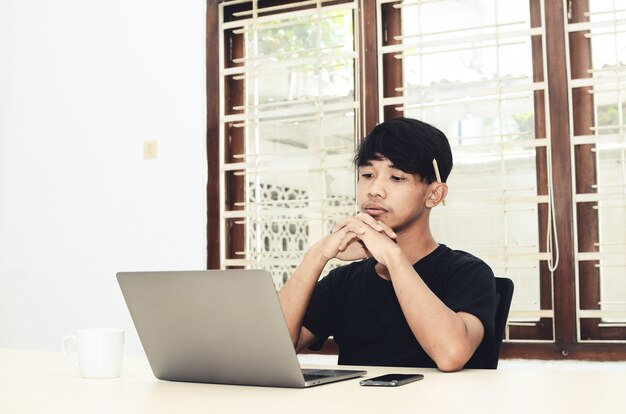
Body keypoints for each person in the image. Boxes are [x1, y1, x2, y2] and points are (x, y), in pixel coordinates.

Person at [278, 117, 497, 372]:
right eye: (368, 175)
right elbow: (271, 350)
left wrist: (392, 257)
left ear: (434, 194)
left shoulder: (467, 273)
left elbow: (451, 355)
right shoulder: (343, 282)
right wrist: (317, 255)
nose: (374, 190)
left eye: (396, 178)